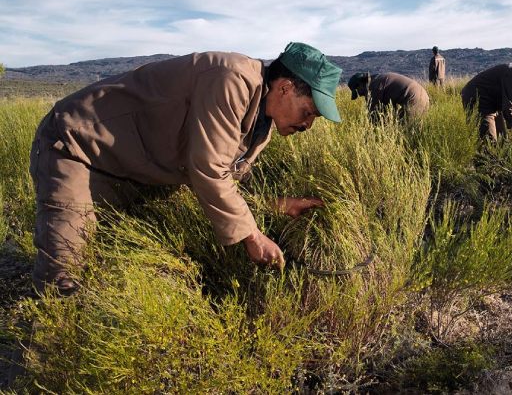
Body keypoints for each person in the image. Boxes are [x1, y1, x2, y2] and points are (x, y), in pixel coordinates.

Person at [29, 42, 342, 295]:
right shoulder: (232, 78)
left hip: (134, 167)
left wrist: (275, 206)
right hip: (78, 146)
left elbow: (226, 180)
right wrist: (252, 237)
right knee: (63, 274)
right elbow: (208, 169)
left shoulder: (262, 122)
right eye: (309, 112)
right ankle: (36, 359)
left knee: (113, 260)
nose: (307, 124)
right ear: (285, 88)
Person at [347, 71, 430, 120]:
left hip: (414, 98)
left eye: (358, 92)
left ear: (360, 85)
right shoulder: (377, 79)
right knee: (400, 123)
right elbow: (388, 110)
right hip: (422, 95)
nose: (360, 95)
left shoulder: (373, 87)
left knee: (405, 131)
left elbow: (374, 116)